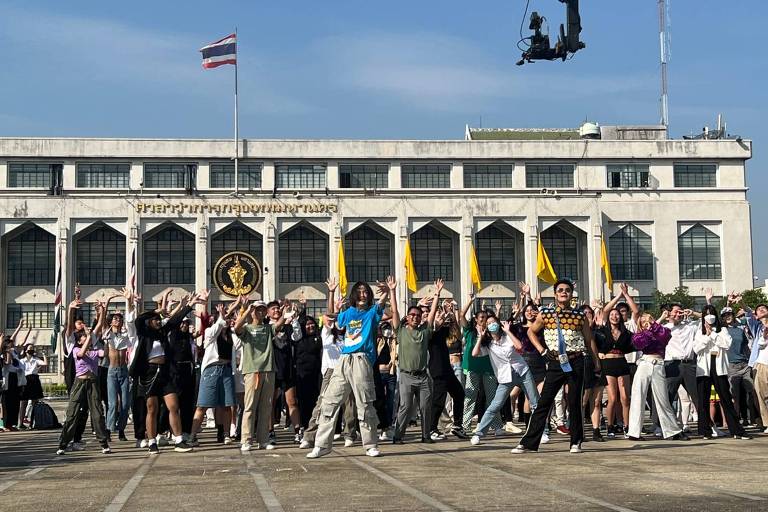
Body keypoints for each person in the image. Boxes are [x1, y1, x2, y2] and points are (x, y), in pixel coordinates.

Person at [512, 278, 600, 454]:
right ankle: (529, 443)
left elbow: (589, 340)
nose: (564, 293)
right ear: (555, 294)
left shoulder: (580, 316)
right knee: (544, 401)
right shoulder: (546, 313)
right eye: (560, 290)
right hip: (555, 361)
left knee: (575, 402)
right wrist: (542, 350)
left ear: (571, 294)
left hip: (576, 361)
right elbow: (531, 331)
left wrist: (596, 361)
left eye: (567, 290)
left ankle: (576, 442)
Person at [306, 277, 389, 459]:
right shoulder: (348, 313)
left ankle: (370, 444)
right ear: (354, 295)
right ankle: (322, 445)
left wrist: (387, 291)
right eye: (359, 292)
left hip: (362, 359)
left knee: (365, 403)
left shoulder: (372, 312)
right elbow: (330, 316)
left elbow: (381, 304)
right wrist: (331, 292)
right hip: (343, 359)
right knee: (329, 401)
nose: (363, 294)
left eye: (366, 292)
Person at [130, 290, 206, 454]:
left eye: (159, 320)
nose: (158, 322)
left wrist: (189, 305)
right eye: (155, 320)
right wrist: (156, 311)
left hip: (165, 372)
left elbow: (175, 320)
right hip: (149, 373)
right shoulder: (143, 333)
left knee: (173, 405)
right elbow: (139, 319)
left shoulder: (163, 333)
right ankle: (151, 442)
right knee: (152, 408)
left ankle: (179, 440)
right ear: (150, 322)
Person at [469, 315, 539, 445]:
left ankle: (543, 431)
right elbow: (474, 353)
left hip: (522, 371)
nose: (491, 324)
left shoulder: (507, 337)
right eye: (488, 323)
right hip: (505, 377)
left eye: (493, 322)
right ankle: (479, 434)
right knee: (495, 406)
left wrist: (508, 331)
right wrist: (480, 337)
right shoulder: (488, 344)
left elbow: (519, 346)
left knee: (535, 402)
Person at [391, 279, 442, 444]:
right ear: (407, 317)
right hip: (406, 375)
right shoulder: (400, 331)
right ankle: (398, 436)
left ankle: (426, 435)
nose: (415, 317)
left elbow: (432, 314)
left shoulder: (425, 331)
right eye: (412, 315)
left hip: (423, 376)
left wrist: (437, 294)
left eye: (418, 316)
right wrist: (392, 291)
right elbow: (394, 312)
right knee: (405, 407)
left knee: (426, 407)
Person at [235, 298, 287, 451]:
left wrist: (284, 312)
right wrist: (245, 311)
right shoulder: (247, 329)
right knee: (250, 406)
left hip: (269, 370)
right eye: (257, 309)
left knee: (266, 406)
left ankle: (263, 439)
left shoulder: (267, 328)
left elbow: (279, 325)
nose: (260, 312)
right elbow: (237, 327)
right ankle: (246, 439)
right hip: (252, 371)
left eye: (263, 310)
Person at [693, 305, 751, 440]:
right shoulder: (698, 330)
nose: (709, 316)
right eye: (706, 313)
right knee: (703, 400)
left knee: (725, 398)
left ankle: (736, 430)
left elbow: (726, 344)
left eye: (712, 313)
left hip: (719, 366)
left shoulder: (723, 329)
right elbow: (697, 348)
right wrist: (707, 336)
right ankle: (705, 430)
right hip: (704, 368)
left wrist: (712, 334)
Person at [627, 312, 688, 441]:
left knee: (663, 399)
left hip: (659, 364)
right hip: (644, 363)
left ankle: (672, 430)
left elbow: (665, 336)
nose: (646, 323)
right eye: (643, 322)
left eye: (648, 320)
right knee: (638, 396)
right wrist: (649, 329)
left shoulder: (662, 330)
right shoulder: (638, 335)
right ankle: (633, 431)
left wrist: (655, 324)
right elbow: (640, 343)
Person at [56, 325, 111, 455]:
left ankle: (104, 443)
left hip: (92, 383)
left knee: (97, 413)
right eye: (84, 338)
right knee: (72, 414)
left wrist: (107, 341)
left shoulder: (94, 352)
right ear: (79, 341)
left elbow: (105, 353)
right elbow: (81, 353)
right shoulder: (75, 350)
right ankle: (63, 444)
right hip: (79, 383)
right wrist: (89, 335)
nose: (87, 339)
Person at [189, 302, 238, 446]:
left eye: (228, 318)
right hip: (212, 370)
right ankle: (192, 435)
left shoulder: (231, 336)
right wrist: (221, 318)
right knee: (202, 405)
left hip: (227, 370)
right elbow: (216, 327)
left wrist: (238, 307)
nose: (227, 321)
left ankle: (227, 434)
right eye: (224, 318)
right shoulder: (210, 333)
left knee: (227, 405)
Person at [460, 293, 503, 437]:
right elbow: (461, 315)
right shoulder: (470, 331)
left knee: (492, 398)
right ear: (476, 319)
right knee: (470, 396)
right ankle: (465, 426)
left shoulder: (491, 333)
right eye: (482, 318)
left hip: (488, 369)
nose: (484, 321)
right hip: (472, 369)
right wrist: (470, 301)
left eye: (486, 318)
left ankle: (497, 425)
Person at [428, 303, 467, 440]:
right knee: (438, 400)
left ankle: (457, 426)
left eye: (441, 313)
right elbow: (433, 326)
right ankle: (431, 428)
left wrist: (452, 316)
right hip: (437, 369)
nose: (441, 316)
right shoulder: (429, 331)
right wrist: (437, 320)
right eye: (437, 314)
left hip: (447, 369)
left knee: (459, 394)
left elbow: (456, 334)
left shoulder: (444, 329)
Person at [595, 307, 634, 438]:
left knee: (625, 398)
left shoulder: (626, 333)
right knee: (612, 398)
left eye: (617, 314)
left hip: (622, 364)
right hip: (608, 364)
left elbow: (632, 345)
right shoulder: (602, 331)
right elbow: (597, 345)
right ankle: (610, 426)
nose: (614, 316)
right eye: (612, 314)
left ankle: (626, 426)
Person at [101, 289, 134, 441]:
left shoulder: (126, 334)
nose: (118, 320)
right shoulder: (107, 334)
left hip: (124, 371)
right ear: (111, 321)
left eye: (119, 319)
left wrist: (129, 301)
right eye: (115, 318)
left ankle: (121, 430)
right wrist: (107, 302)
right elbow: (102, 320)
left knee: (126, 404)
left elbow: (132, 321)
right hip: (112, 371)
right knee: (113, 404)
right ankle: (108, 430)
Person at [743, 300, 768, 433]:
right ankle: (767, 423)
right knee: (762, 395)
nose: (762, 310)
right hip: (761, 364)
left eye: (764, 308)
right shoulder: (757, 327)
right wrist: (741, 301)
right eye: (759, 310)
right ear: (756, 316)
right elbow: (747, 312)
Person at [19, 343, 47, 429]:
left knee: (35, 402)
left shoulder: (35, 359)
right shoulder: (22, 361)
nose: (31, 350)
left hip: (34, 380)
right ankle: (20, 423)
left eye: (32, 349)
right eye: (29, 349)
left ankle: (33, 422)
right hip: (26, 380)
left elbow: (45, 363)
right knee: (23, 402)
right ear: (26, 350)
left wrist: (44, 355)